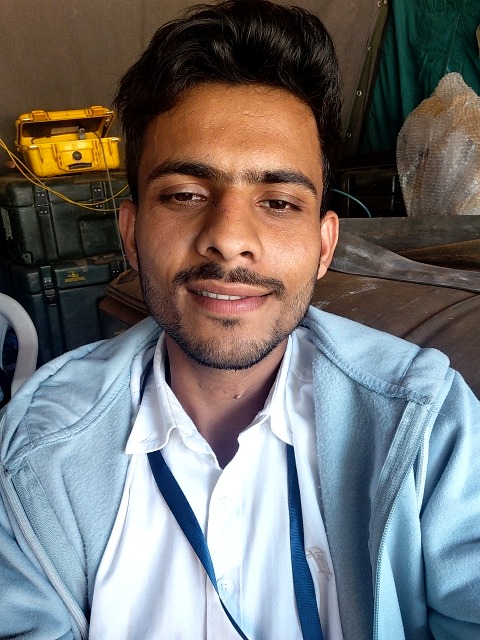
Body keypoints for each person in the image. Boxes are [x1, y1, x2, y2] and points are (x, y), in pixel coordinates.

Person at [1, 1, 479, 638]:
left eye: (278, 202)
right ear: (132, 233)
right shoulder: (34, 448)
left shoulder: (429, 425)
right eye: (185, 194)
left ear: (325, 246)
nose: (228, 239)